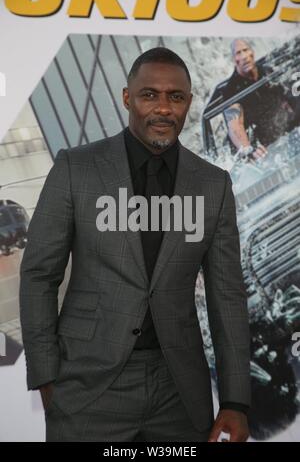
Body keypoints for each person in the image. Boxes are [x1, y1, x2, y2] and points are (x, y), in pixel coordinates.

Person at [19, 47, 251, 442]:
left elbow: (226, 295)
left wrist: (235, 401)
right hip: (87, 386)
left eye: (175, 97)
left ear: (188, 103)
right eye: (149, 95)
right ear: (128, 98)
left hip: (180, 392)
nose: (163, 108)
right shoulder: (76, 168)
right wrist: (46, 375)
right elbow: (39, 274)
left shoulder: (213, 185)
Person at [222, 39, 298, 162]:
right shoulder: (231, 90)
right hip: (264, 145)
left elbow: (287, 99)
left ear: (252, 52)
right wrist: (248, 149)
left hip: (286, 131)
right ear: (234, 60)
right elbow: (235, 126)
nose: (244, 56)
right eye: (238, 53)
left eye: (245, 50)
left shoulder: (268, 71)